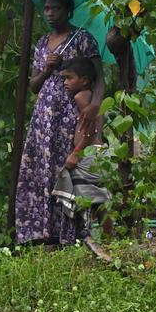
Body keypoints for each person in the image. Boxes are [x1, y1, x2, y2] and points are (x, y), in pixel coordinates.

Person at [14, 0, 105, 245]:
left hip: (70, 116)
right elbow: (33, 86)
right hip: (44, 118)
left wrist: (93, 106)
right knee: (40, 169)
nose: (50, 14)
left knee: (64, 170)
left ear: (68, 11)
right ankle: (42, 232)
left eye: (56, 9)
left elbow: (100, 79)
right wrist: (47, 69)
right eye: (47, 9)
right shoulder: (42, 43)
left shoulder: (83, 39)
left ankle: (69, 232)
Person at [51, 58, 111, 237]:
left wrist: (76, 153)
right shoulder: (93, 98)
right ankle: (109, 237)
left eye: (69, 78)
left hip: (89, 154)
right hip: (99, 153)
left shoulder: (81, 97)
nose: (65, 82)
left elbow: (90, 128)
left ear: (84, 80)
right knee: (101, 197)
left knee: (87, 198)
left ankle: (88, 237)